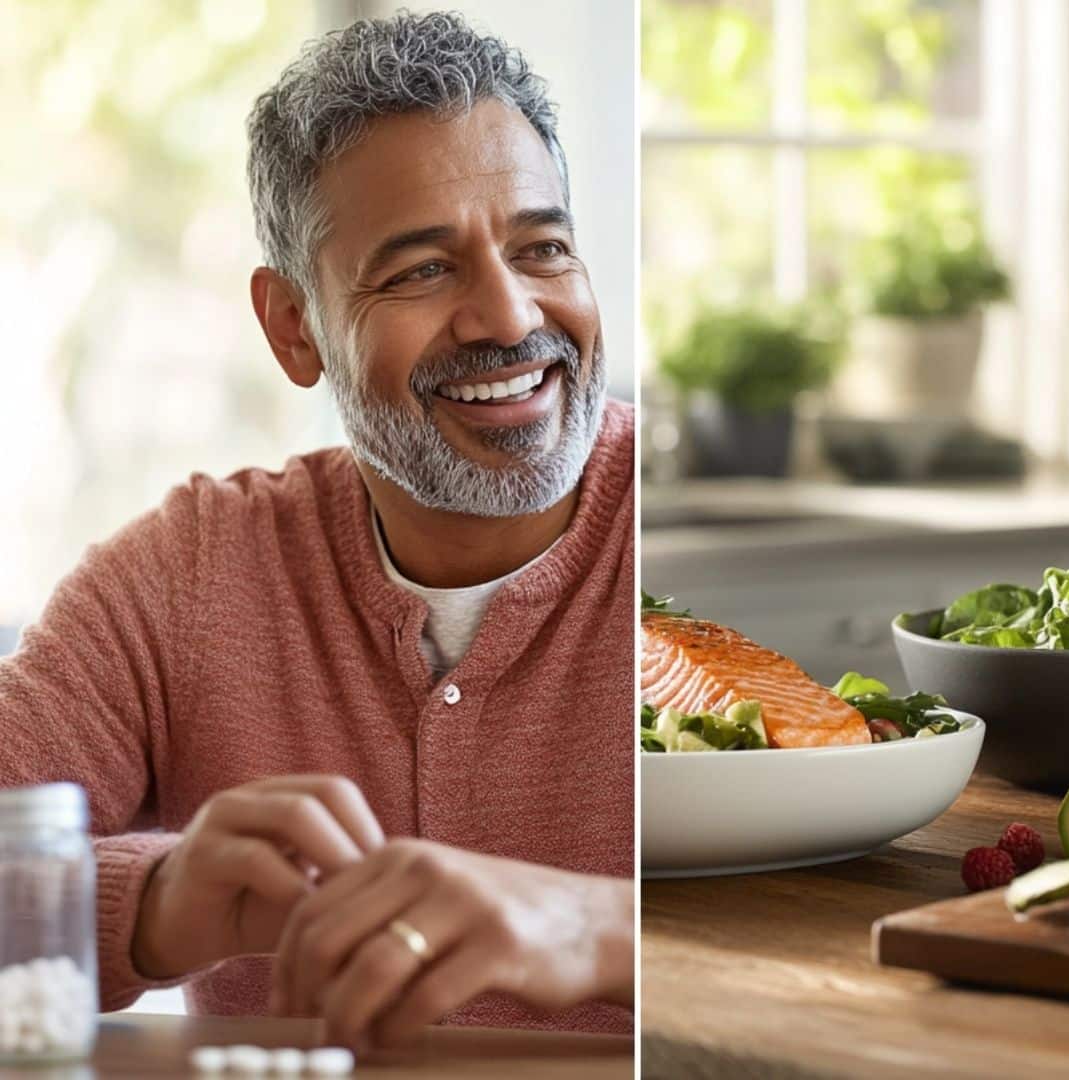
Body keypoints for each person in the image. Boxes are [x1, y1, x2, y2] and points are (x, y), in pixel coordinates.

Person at [0, 11, 633, 1051]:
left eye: (543, 247)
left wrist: (601, 927)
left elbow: (837, 943)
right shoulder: (188, 575)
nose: (510, 316)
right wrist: (154, 902)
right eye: (423, 270)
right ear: (293, 327)